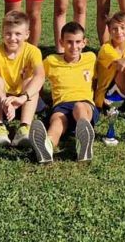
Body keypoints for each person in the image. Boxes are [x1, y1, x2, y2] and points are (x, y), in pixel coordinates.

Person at [29, 22, 98, 163]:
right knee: (57, 122)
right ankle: (47, 147)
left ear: (84, 42)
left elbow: (99, 80)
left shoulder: (91, 58)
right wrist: (38, 99)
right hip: (61, 106)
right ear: (61, 42)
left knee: (79, 107)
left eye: (78, 42)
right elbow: (37, 77)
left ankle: (83, 143)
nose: (74, 47)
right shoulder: (51, 61)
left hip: (85, 104)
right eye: (69, 42)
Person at [0, 11, 45, 149]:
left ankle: (24, 128)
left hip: (24, 98)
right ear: (2, 33)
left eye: (18, 34)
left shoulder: (33, 51)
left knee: (30, 80)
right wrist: (3, 99)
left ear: (27, 34)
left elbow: (40, 76)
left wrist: (22, 98)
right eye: (8, 33)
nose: (12, 38)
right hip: (1, 98)